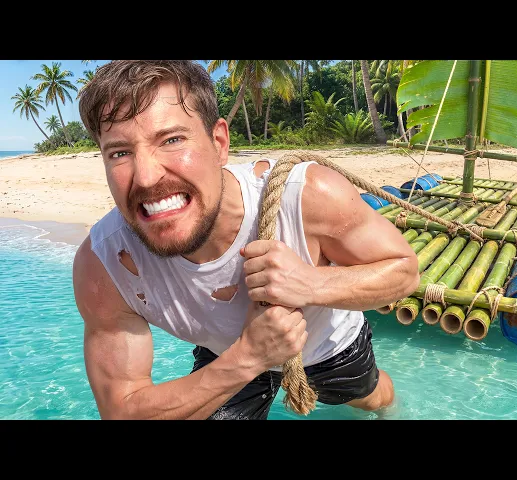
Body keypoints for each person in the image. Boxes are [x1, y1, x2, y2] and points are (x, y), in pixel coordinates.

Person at [72, 60, 420, 420]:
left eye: (172, 140)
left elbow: (405, 272)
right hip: (228, 351)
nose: (146, 178)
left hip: (326, 345)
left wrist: (310, 283)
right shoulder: (104, 266)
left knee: (370, 398)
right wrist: (249, 357)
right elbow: (122, 409)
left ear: (219, 142)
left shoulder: (306, 194)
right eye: (120, 153)